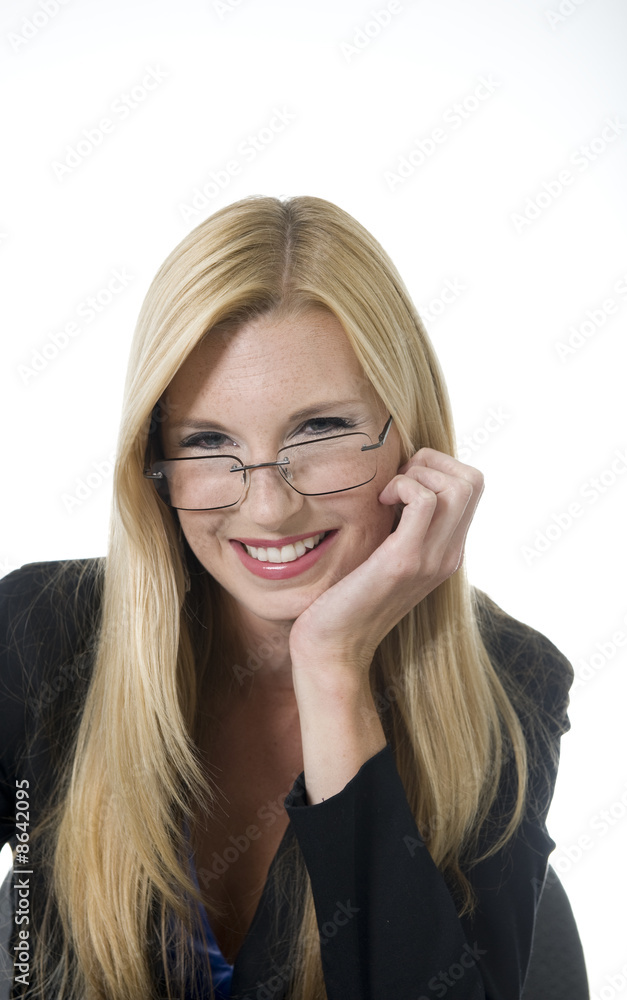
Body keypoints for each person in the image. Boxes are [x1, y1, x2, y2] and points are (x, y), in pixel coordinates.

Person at [0, 195, 577, 1000]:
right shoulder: (45, 634)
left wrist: (333, 667)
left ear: (408, 438)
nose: (268, 506)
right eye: (208, 443)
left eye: (320, 431)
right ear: (153, 465)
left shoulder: (509, 679)